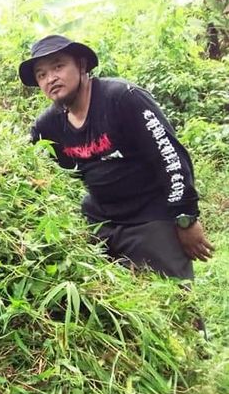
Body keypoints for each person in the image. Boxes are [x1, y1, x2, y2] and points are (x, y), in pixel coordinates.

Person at [20, 34, 215, 280]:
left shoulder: (123, 98)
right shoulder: (47, 126)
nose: (51, 78)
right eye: (41, 74)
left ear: (81, 65)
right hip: (99, 223)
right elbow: (32, 174)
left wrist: (185, 218)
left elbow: (171, 157)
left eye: (58, 66)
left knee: (173, 305)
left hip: (150, 218)